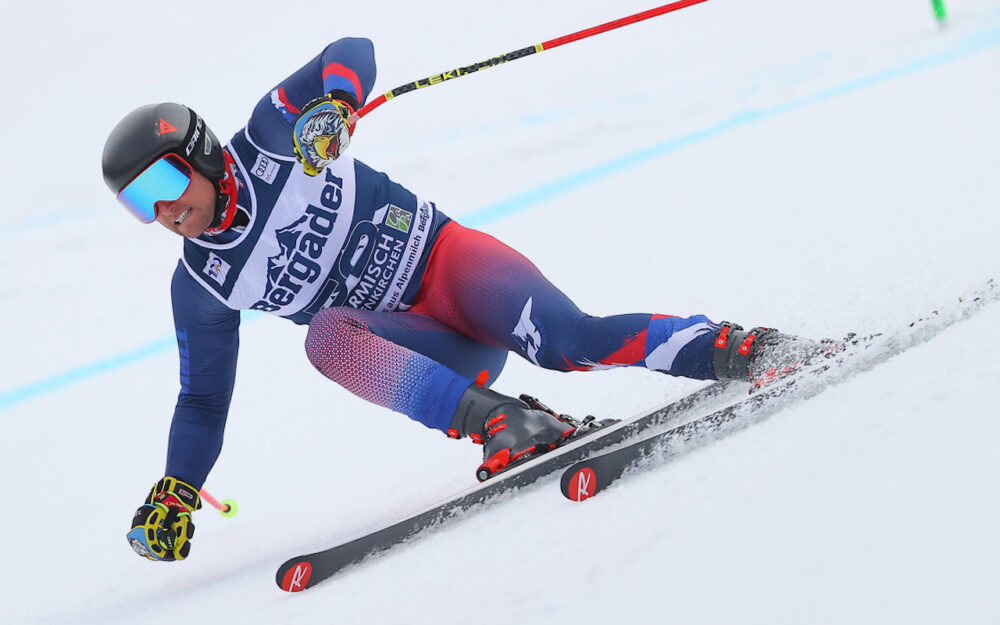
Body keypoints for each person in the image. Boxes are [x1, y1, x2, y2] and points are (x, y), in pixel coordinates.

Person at [103, 38, 823, 562]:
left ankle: (737, 347)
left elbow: (347, 51)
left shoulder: (271, 139)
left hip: (448, 266)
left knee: (572, 340)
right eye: (139, 204)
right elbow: (201, 400)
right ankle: (505, 422)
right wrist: (176, 489)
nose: (162, 212)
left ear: (197, 153)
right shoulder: (202, 282)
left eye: (161, 185)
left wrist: (339, 103)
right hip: (432, 348)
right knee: (324, 336)